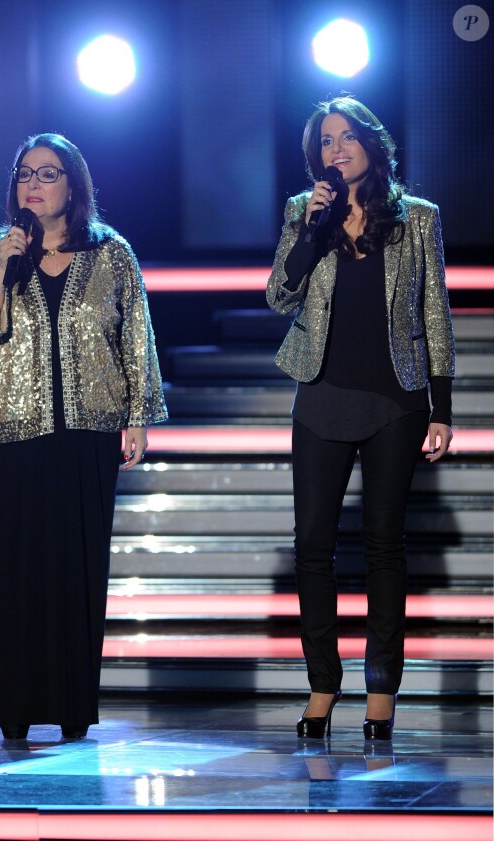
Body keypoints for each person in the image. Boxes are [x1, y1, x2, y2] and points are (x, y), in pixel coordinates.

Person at [0, 133, 168, 742]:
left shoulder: (110, 254)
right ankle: (17, 707)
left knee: (78, 568)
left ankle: (74, 706)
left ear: (74, 184)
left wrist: (139, 414)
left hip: (89, 427)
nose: (34, 184)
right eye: (25, 174)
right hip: (14, 428)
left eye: (48, 173)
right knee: (19, 571)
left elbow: (137, 338)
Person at [266, 97, 455, 740]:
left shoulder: (417, 220)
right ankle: (323, 683)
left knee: (383, 548)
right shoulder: (304, 211)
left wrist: (442, 407)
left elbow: (435, 316)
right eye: (325, 140)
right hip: (321, 392)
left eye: (348, 138)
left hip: (396, 401)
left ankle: (381, 690)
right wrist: (313, 232)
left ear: (372, 144)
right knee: (312, 545)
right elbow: (278, 294)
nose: (336, 149)